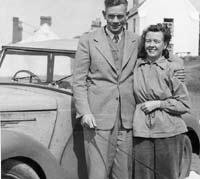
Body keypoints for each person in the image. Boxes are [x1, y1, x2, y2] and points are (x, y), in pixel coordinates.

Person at [72, 0, 141, 178]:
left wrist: (177, 68)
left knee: (123, 175)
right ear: (104, 15)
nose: (116, 20)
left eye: (120, 16)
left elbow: (157, 56)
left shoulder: (136, 40)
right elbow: (78, 81)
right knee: (98, 174)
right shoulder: (88, 40)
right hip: (97, 120)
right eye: (111, 16)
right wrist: (85, 112)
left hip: (127, 121)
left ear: (127, 15)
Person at [132, 23, 191, 179]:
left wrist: (159, 104)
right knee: (141, 175)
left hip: (169, 131)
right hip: (141, 130)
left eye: (156, 41)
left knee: (166, 176)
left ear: (165, 44)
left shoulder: (173, 68)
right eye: (148, 41)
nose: (151, 45)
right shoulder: (136, 66)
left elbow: (184, 104)